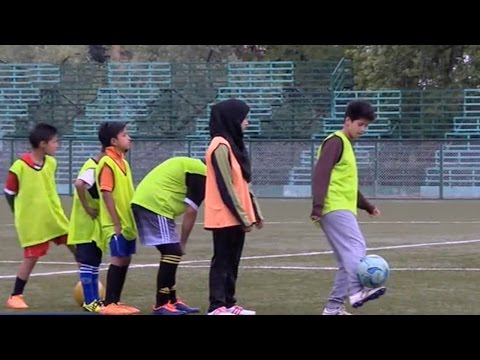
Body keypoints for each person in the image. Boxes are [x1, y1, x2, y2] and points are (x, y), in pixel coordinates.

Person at [310, 100, 386, 315]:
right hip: (333, 206)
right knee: (356, 249)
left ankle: (333, 308)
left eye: (366, 126)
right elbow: (321, 173)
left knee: (347, 259)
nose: (363, 129)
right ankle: (357, 290)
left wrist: (367, 206)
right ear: (348, 121)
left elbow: (349, 186)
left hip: (341, 205)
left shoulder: (346, 145)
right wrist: (318, 206)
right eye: (360, 124)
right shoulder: (336, 141)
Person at [204, 98, 264, 316]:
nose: (246, 123)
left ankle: (229, 304)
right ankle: (216, 306)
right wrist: (242, 217)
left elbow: (242, 185)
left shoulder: (232, 145)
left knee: (232, 261)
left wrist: (254, 212)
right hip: (224, 216)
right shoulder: (219, 146)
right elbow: (225, 187)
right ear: (232, 120)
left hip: (236, 217)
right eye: (244, 118)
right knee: (222, 260)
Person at [4, 123, 74, 309]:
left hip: (55, 218)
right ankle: (15, 295)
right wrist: (20, 212)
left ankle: (90, 287)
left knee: (77, 246)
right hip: (33, 222)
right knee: (31, 257)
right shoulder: (19, 166)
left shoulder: (51, 163)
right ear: (43, 144)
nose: (57, 145)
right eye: (54, 142)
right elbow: (9, 192)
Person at [131, 156, 206, 315]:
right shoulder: (201, 172)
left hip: (153, 203)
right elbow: (191, 211)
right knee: (173, 251)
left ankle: (172, 301)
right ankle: (161, 304)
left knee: (171, 252)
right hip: (155, 204)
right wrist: (182, 243)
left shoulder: (193, 166)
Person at [96, 121, 139, 315]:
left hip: (126, 222)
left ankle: (116, 301)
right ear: (113, 141)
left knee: (125, 259)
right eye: (124, 135)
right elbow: (106, 193)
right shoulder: (107, 162)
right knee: (118, 259)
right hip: (115, 223)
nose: (128, 137)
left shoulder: (123, 162)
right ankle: (109, 303)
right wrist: (116, 223)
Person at [67, 149, 105, 313]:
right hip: (85, 224)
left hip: (93, 225)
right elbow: (79, 184)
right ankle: (90, 301)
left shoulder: (99, 167)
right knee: (88, 262)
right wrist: (87, 207)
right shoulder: (93, 167)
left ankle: (94, 300)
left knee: (94, 262)